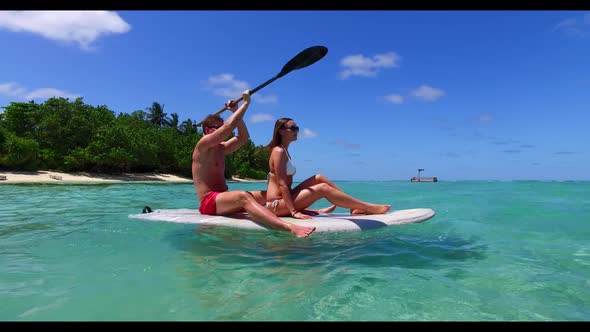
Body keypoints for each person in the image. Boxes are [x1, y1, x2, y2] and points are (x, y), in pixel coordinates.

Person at [192, 91, 316, 238]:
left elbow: (243, 137)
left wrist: (235, 110)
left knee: (268, 196)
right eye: (217, 127)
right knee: (243, 196)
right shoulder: (203, 146)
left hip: (223, 198)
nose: (221, 129)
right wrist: (245, 105)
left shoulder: (222, 148)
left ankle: (301, 210)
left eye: (221, 126)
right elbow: (228, 128)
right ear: (207, 131)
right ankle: (287, 227)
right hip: (209, 201)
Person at [264, 117, 391, 219]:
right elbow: (282, 184)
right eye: (293, 128)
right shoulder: (278, 151)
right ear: (281, 131)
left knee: (319, 178)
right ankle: (368, 207)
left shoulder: (284, 151)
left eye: (297, 128)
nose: (296, 131)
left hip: (286, 199)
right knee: (322, 188)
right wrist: (294, 212)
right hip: (276, 205)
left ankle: (353, 207)